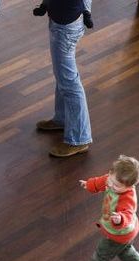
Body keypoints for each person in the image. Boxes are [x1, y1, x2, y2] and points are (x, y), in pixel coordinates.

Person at [68, 155, 139, 261]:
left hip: (120, 232)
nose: (111, 185)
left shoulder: (128, 197)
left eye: (117, 186)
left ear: (130, 186)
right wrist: (89, 184)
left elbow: (128, 212)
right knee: (126, 251)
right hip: (127, 232)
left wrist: (120, 219)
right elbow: (101, 181)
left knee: (101, 254)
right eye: (111, 180)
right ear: (111, 173)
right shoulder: (112, 178)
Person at [33, 0, 94, 157]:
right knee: (63, 75)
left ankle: (79, 138)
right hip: (65, 18)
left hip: (66, 24)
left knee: (69, 82)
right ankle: (63, 118)